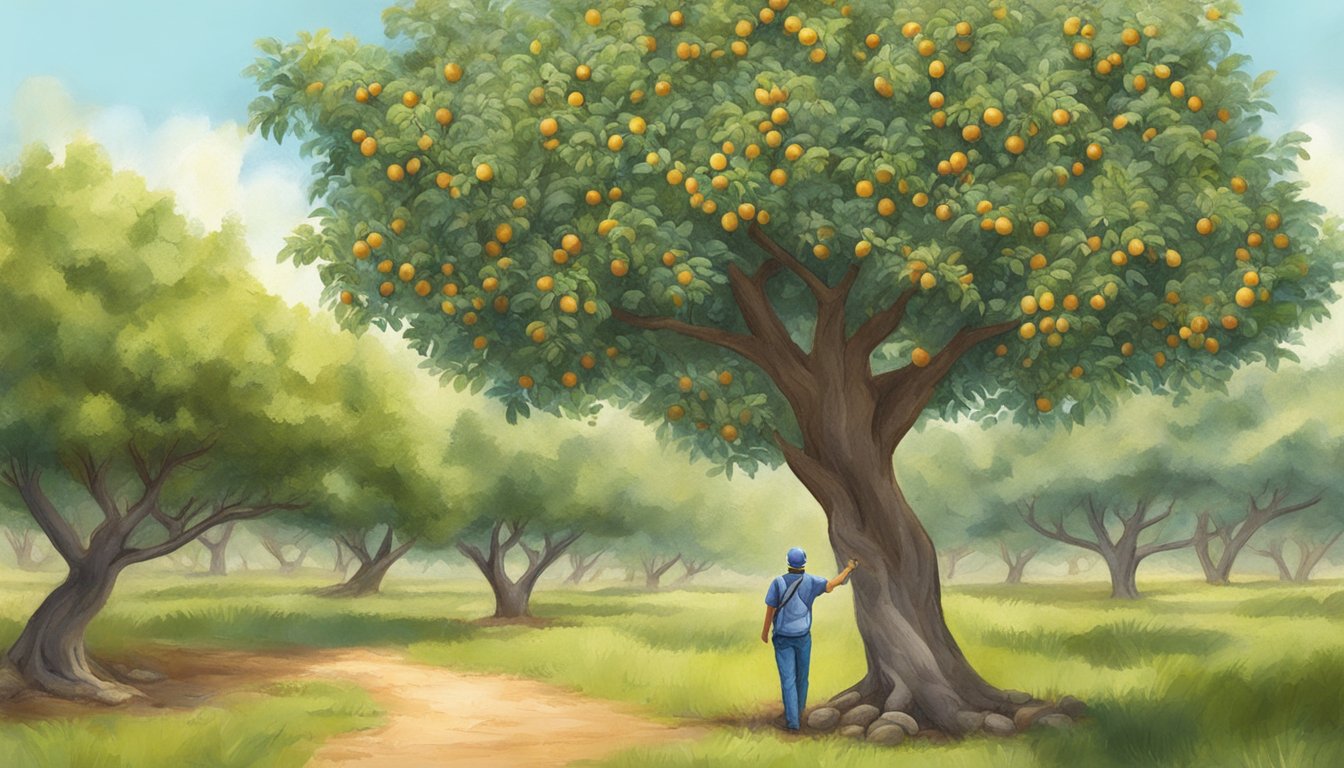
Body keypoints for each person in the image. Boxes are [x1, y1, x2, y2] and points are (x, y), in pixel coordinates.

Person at [761, 547, 858, 731]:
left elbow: (770, 610)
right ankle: (798, 713)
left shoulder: (778, 583)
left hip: (782, 638)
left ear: (788, 562)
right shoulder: (811, 582)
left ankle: (793, 723)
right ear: (804, 562)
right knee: (802, 678)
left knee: (788, 679)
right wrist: (848, 569)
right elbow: (832, 584)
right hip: (803, 637)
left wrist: (765, 632)